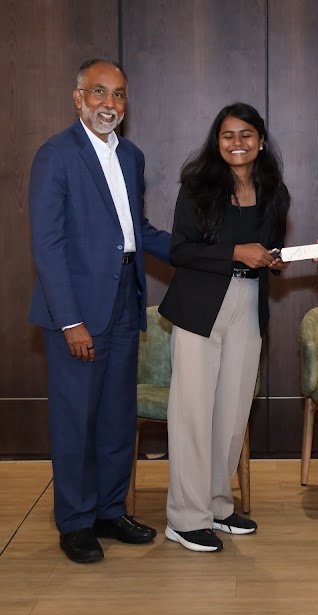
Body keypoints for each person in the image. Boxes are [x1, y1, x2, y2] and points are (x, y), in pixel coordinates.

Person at [29, 58, 172, 563]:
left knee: (116, 418)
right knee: (76, 421)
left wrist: (200, 253)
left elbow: (137, 230)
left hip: (125, 303)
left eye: (118, 94)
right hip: (77, 313)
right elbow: (48, 245)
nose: (109, 103)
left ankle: (110, 511)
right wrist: (70, 320)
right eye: (99, 92)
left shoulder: (131, 156)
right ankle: (75, 522)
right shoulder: (56, 155)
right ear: (78, 98)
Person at [159, 103, 290, 552]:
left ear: (261, 141)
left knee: (232, 413)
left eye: (246, 134)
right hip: (200, 306)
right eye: (228, 135)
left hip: (249, 304)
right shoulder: (197, 187)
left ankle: (216, 504)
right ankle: (185, 517)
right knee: (192, 413)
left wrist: (274, 259)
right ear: (217, 142)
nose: (237, 143)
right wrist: (235, 252)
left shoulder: (273, 190)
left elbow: (269, 246)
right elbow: (180, 251)